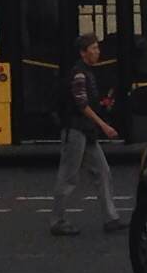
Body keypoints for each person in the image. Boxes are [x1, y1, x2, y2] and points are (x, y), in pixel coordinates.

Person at [49, 32, 126, 237]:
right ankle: (57, 221)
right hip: (75, 131)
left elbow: (86, 102)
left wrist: (102, 105)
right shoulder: (80, 75)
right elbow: (81, 105)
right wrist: (104, 126)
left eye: (97, 48)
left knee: (103, 171)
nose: (97, 52)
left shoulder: (87, 73)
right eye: (94, 48)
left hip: (85, 130)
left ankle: (111, 218)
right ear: (83, 53)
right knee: (68, 176)